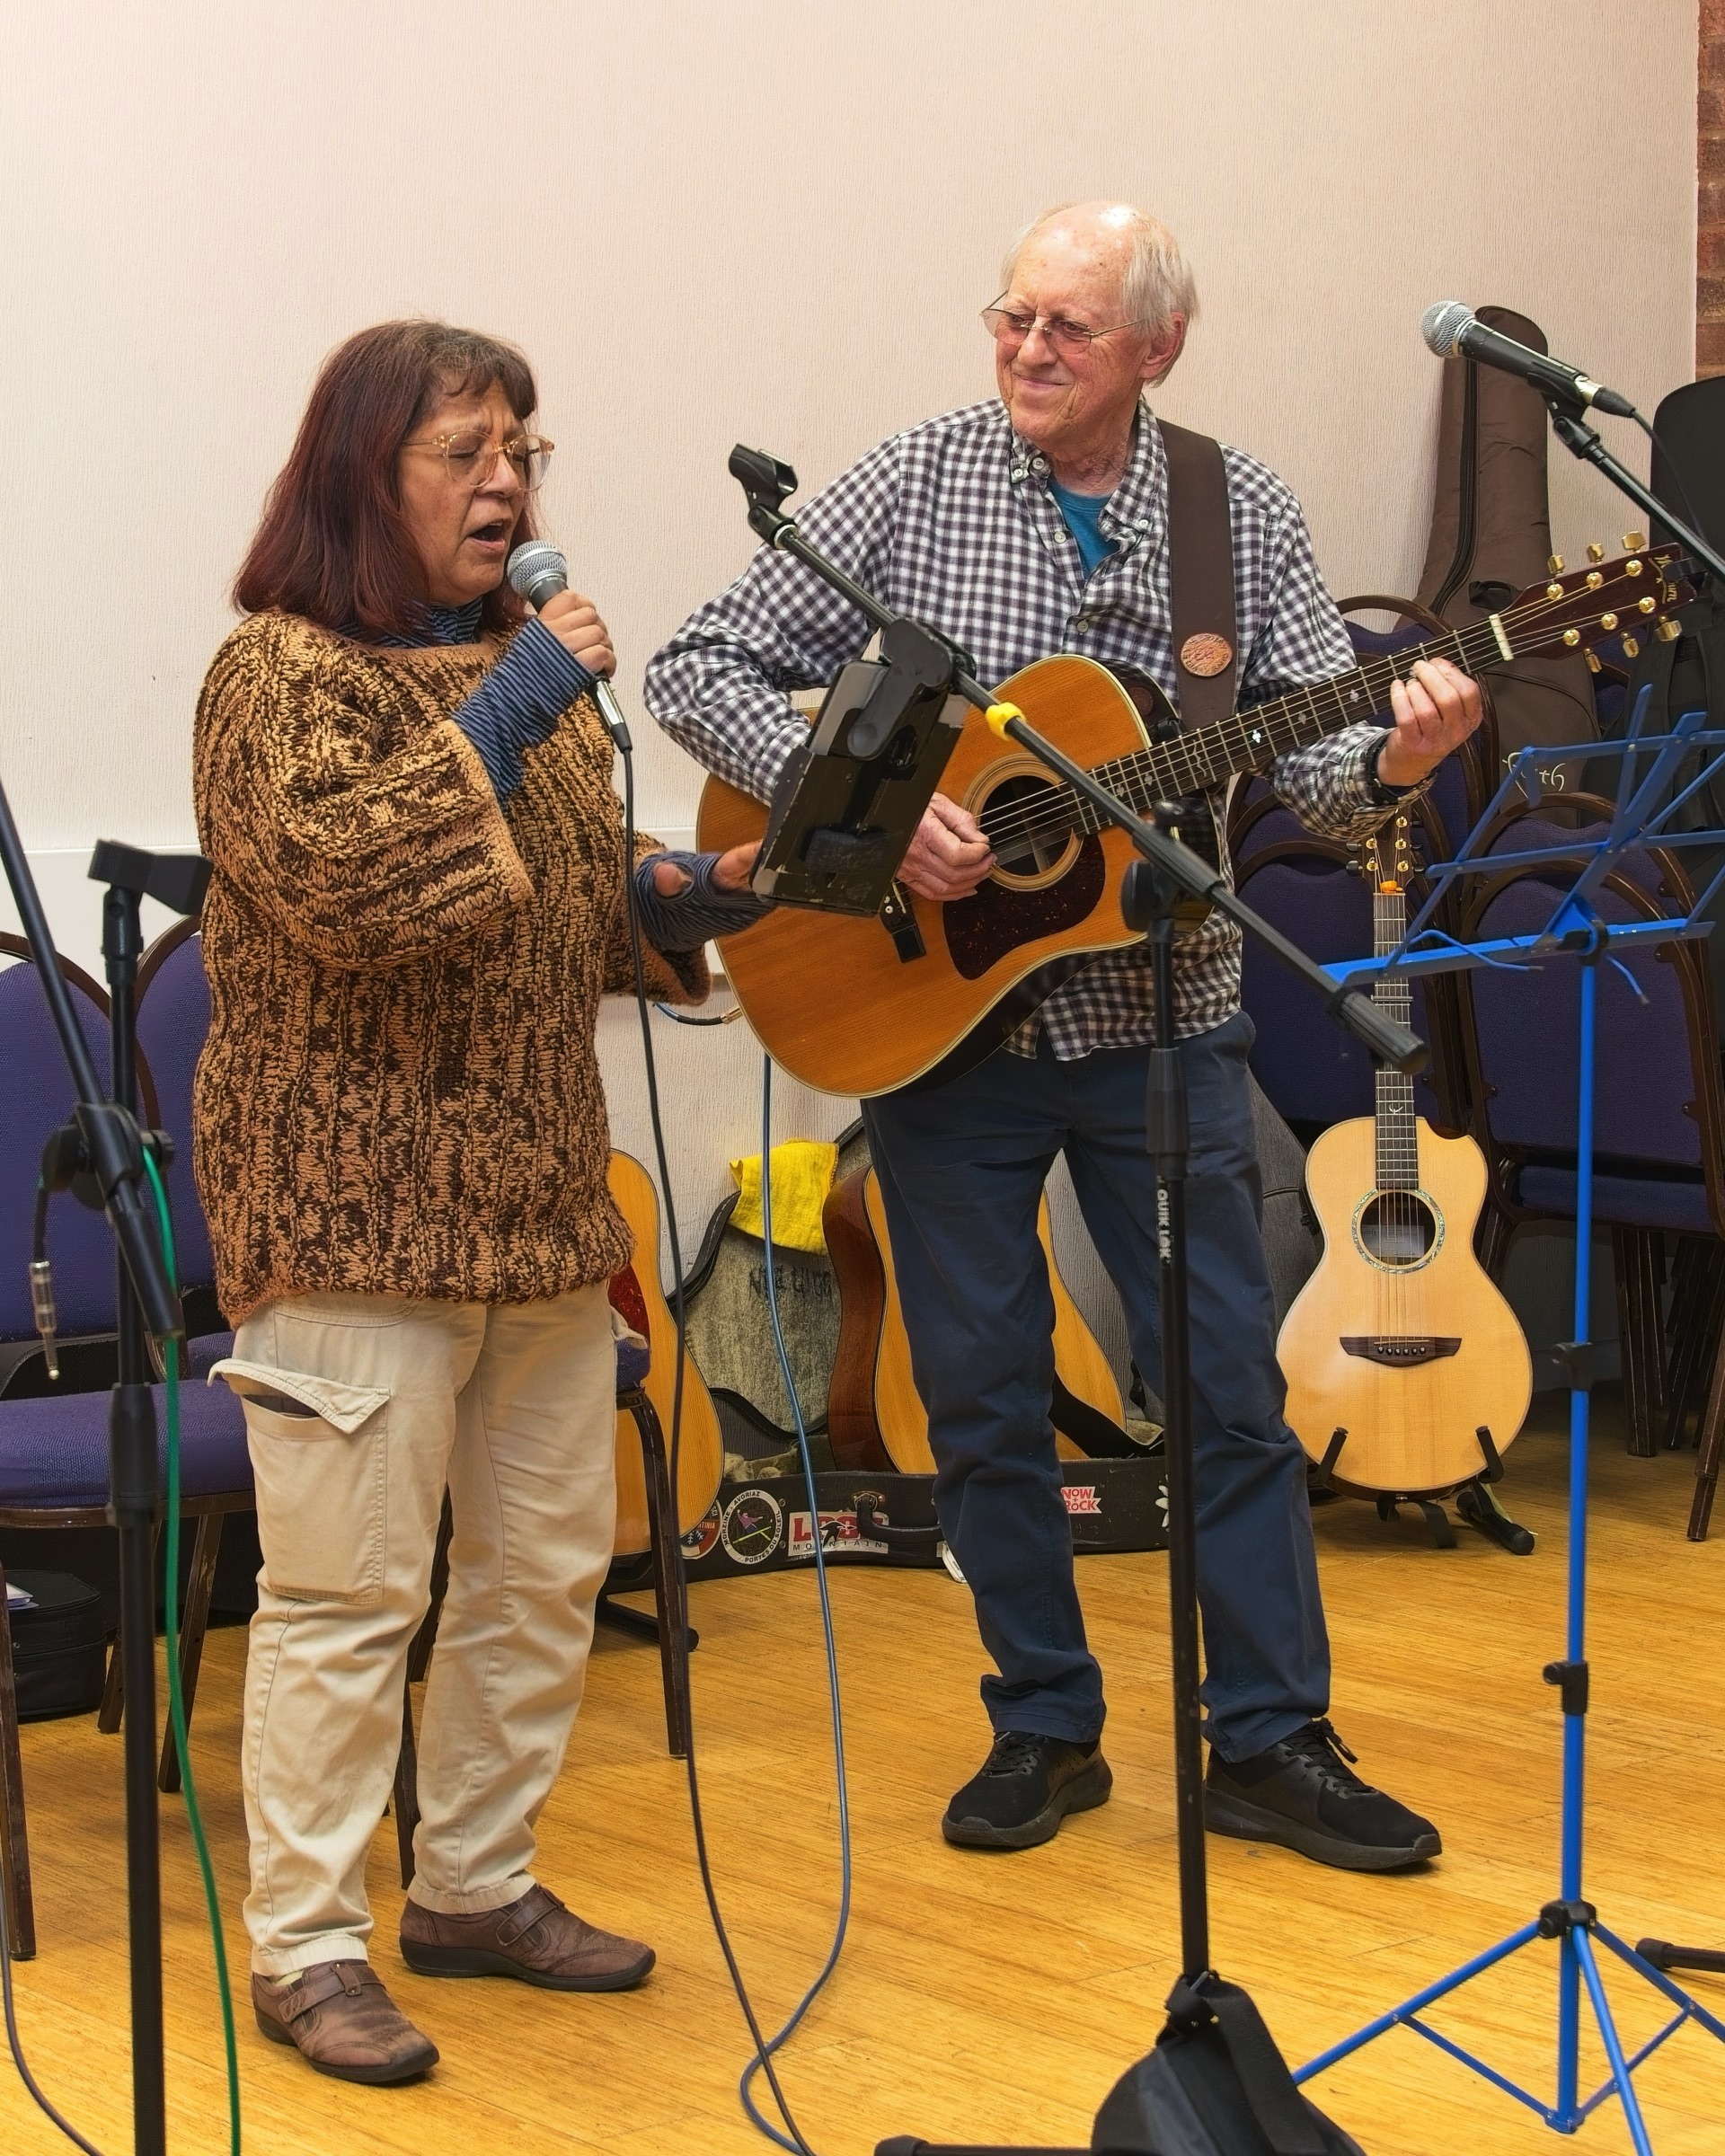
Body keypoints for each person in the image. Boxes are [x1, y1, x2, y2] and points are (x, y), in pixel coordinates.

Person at [647, 202, 1482, 1870]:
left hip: (1162, 1022)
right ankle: (1042, 1721)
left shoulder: (1237, 512)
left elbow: (1314, 774)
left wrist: (1398, 757)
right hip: (939, 1036)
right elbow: (697, 665)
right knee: (979, 1399)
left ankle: (1270, 1739)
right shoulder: (916, 480)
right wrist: (870, 813)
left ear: (1157, 349)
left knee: (1228, 1392)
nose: (1027, 349)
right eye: (1011, 316)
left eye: (1068, 328)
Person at [194, 319, 765, 2084]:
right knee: (349, 1600)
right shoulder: (277, 674)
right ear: (365, 475)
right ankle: (305, 1945)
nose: (507, 481)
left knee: (539, 1576)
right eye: (466, 451)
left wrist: (696, 894)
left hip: (536, 1211)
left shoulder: (522, 667)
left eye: (524, 448)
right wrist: (519, 705)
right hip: (348, 1213)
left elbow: (571, 899)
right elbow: (352, 887)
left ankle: (474, 1885)